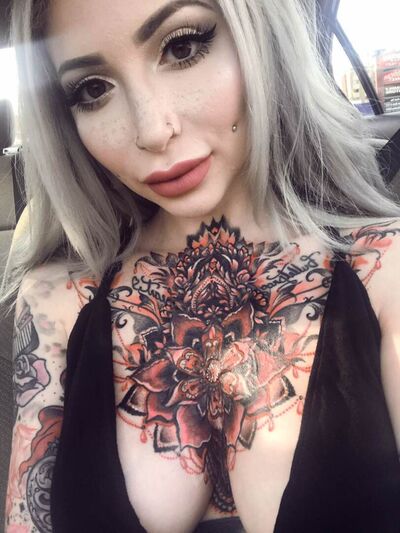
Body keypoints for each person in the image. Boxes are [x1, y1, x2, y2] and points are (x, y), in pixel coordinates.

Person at [2, 0, 400, 532]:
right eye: (93, 89)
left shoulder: (385, 269)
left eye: (182, 46)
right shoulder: (55, 302)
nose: (151, 130)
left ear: (260, 37)